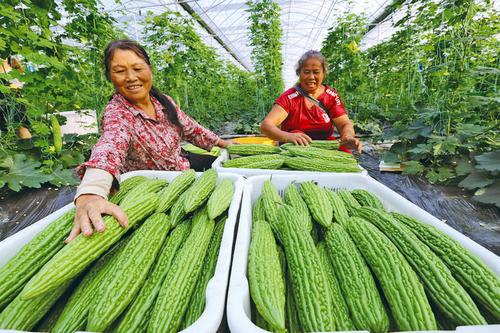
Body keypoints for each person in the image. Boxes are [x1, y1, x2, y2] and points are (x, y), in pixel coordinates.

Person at [67, 39, 240, 243]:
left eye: (138, 68)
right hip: (155, 187)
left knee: (232, 172)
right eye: (120, 71)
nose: (131, 77)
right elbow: (109, 145)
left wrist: (222, 143)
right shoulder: (118, 113)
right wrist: (91, 192)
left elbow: (190, 127)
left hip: (181, 165)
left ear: (150, 69)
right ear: (109, 77)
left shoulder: (163, 101)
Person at [260, 50, 362, 155]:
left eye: (316, 72)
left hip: (323, 145)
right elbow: (266, 125)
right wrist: (287, 136)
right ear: (299, 72)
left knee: (347, 156)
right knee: (297, 133)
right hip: (294, 148)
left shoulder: (331, 96)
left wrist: (347, 137)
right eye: (306, 72)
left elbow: (344, 124)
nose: (311, 77)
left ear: (323, 73)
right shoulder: (289, 97)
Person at [0, 56, 32, 139]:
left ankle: (30, 149)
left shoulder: (13, 64)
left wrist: (6, 88)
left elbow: (20, 87)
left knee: (20, 127)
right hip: (1, 100)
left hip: (13, 100)